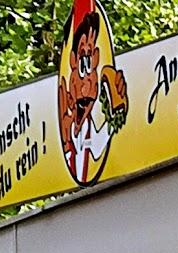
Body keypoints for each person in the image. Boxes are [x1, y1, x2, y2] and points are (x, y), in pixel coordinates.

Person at [58, 0, 126, 183]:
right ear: (72, 62)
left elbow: (101, 142)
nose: (88, 81)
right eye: (83, 65)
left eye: (91, 66)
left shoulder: (89, 129)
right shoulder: (67, 122)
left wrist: (117, 110)